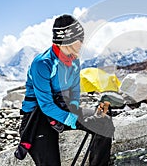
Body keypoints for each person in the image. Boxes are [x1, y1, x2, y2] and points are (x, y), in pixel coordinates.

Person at [16, 14, 114, 166]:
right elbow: (46, 105)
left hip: (63, 109)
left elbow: (74, 92)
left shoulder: (74, 61)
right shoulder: (42, 63)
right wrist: (74, 120)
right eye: (79, 39)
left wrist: (74, 110)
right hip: (37, 118)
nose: (82, 43)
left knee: (104, 122)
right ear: (67, 40)